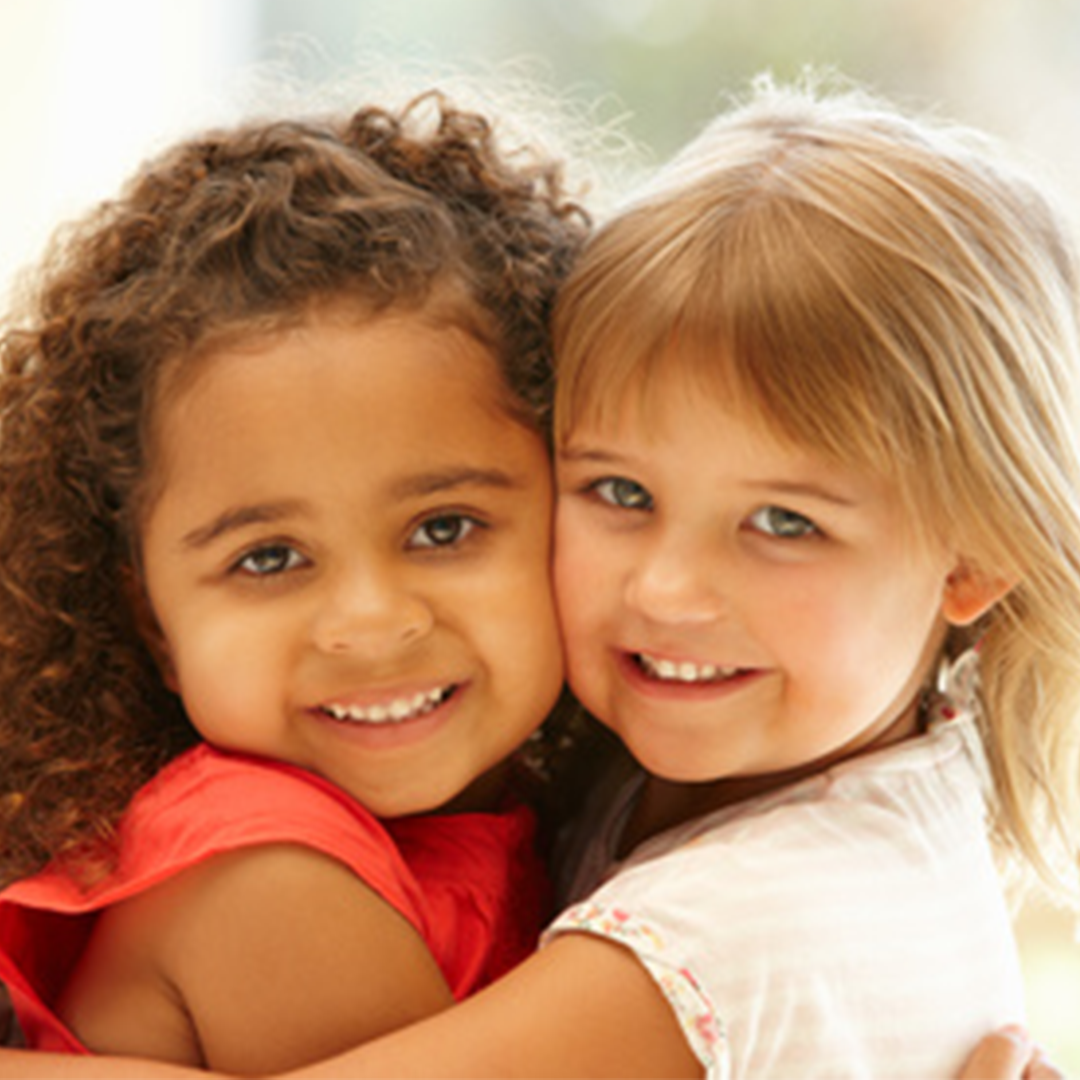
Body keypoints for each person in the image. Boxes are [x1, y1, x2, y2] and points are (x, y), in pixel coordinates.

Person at [0, 78, 1071, 1080]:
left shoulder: (751, 920)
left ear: (971, 558)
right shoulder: (288, 868)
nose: (667, 591)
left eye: (785, 521)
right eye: (619, 494)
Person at [0, 92, 586, 1071]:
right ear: (153, 623)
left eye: (443, 528)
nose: (368, 622)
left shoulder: (520, 807)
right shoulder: (268, 871)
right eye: (267, 558)